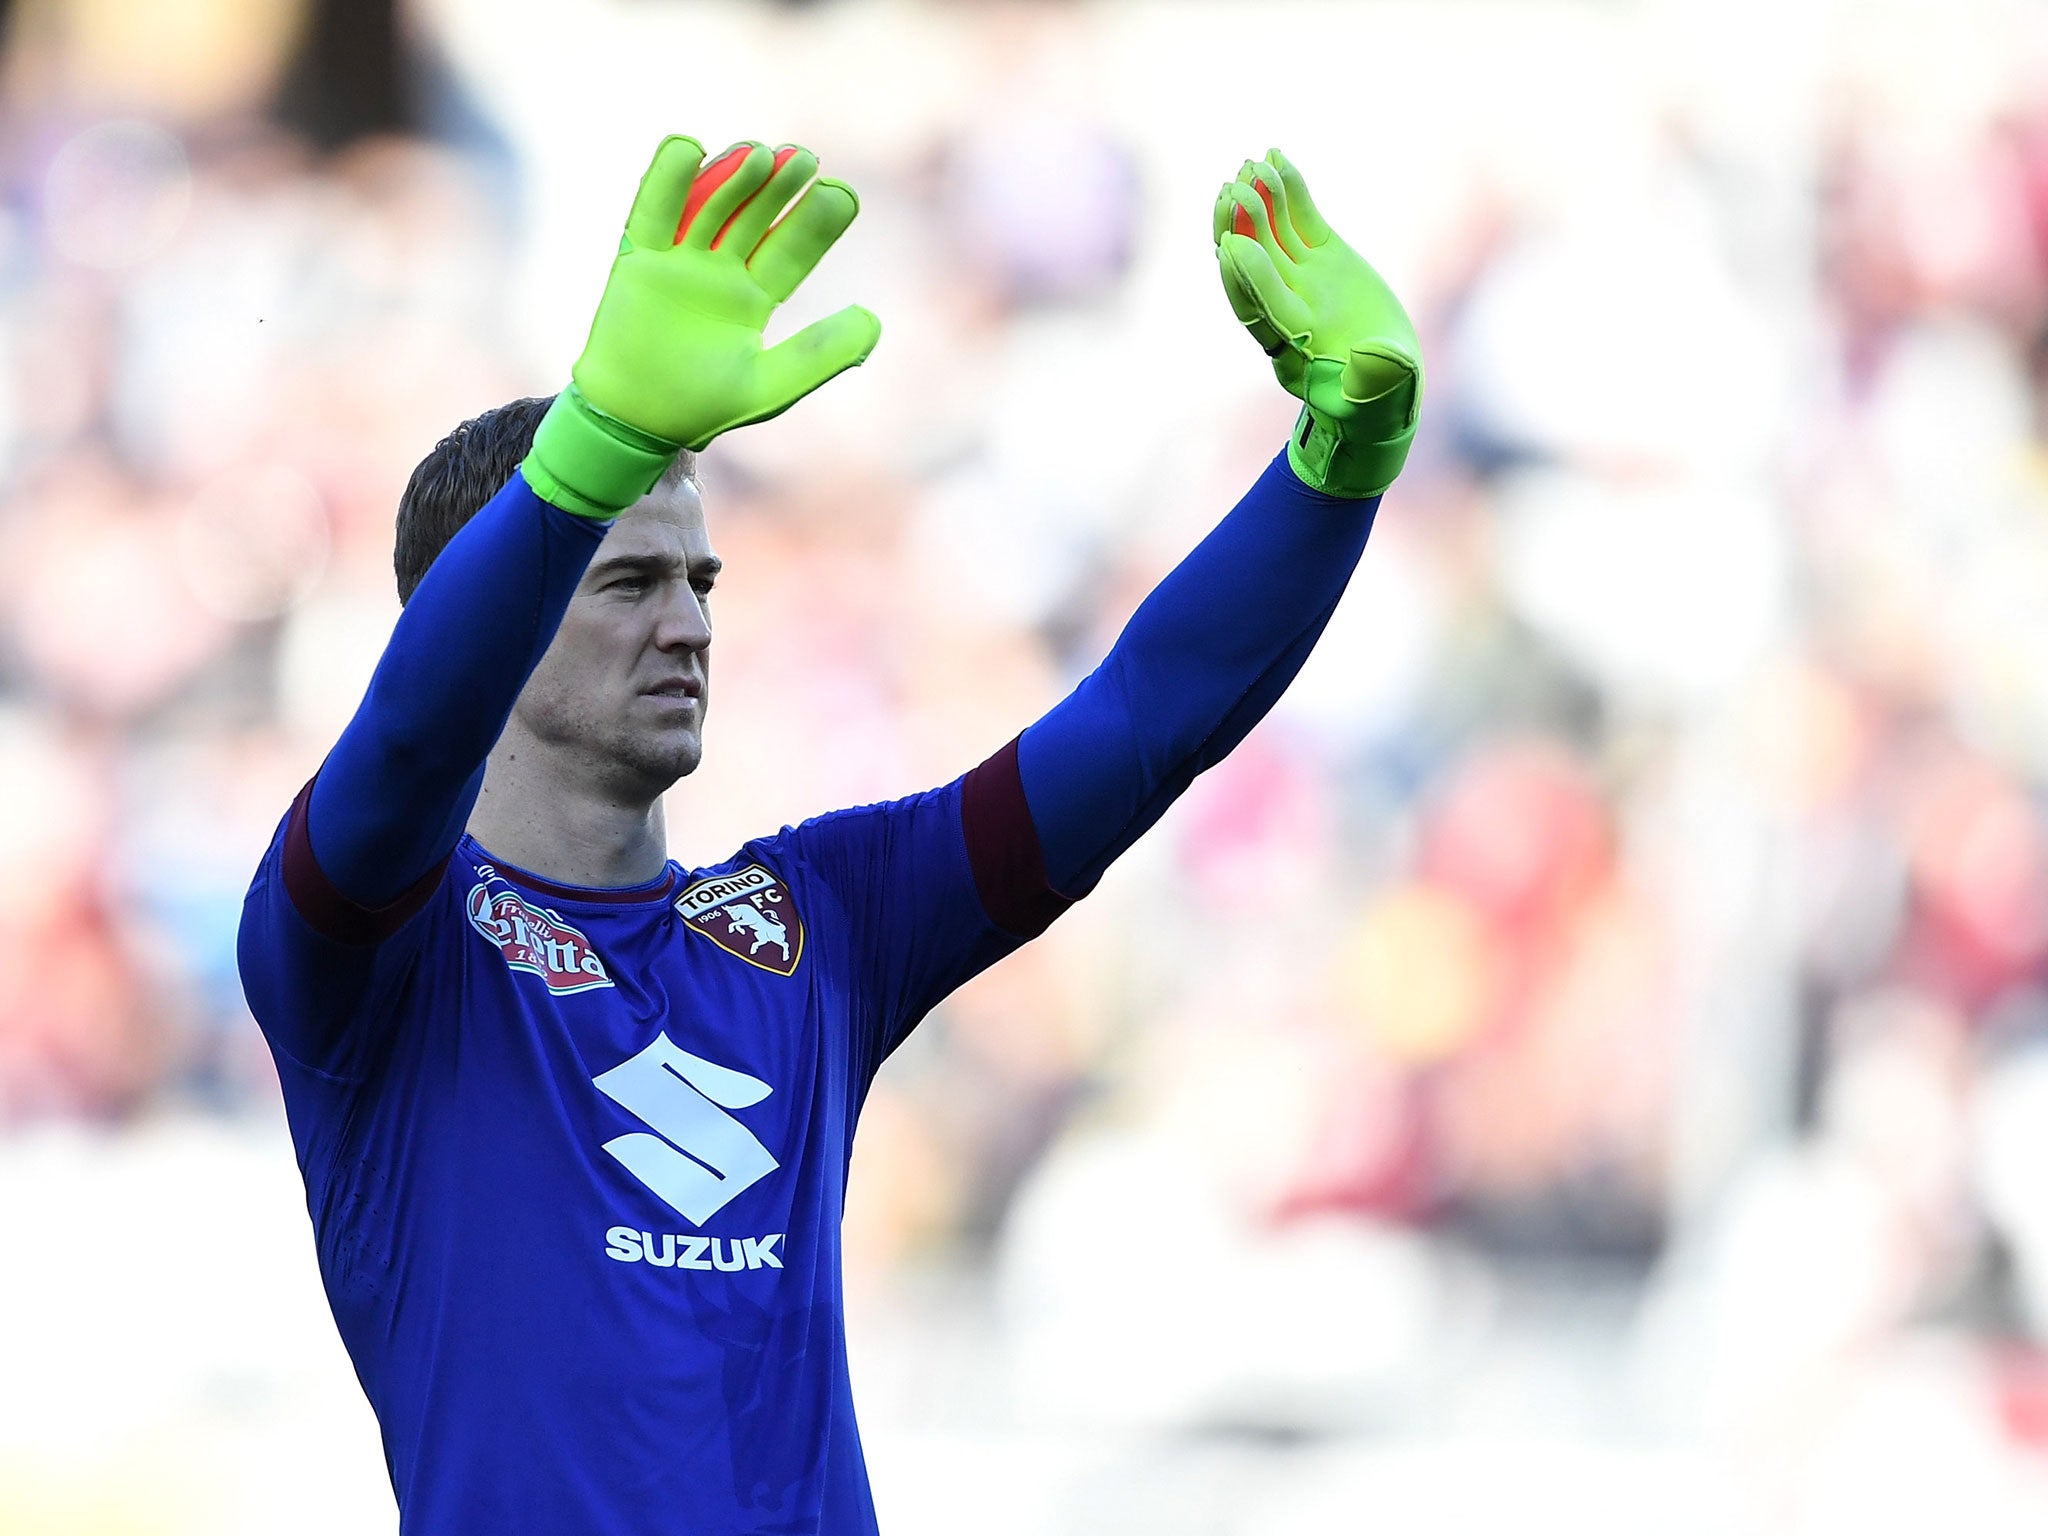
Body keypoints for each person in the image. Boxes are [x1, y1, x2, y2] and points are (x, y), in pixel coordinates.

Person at [237, 133, 1421, 1535]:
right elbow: (412, 741)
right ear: (489, 617)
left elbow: (1145, 719)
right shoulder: (373, 958)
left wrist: (1337, 474)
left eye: (700, 580)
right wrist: (587, 456)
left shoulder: (820, 926)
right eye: (626, 582)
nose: (686, 622)